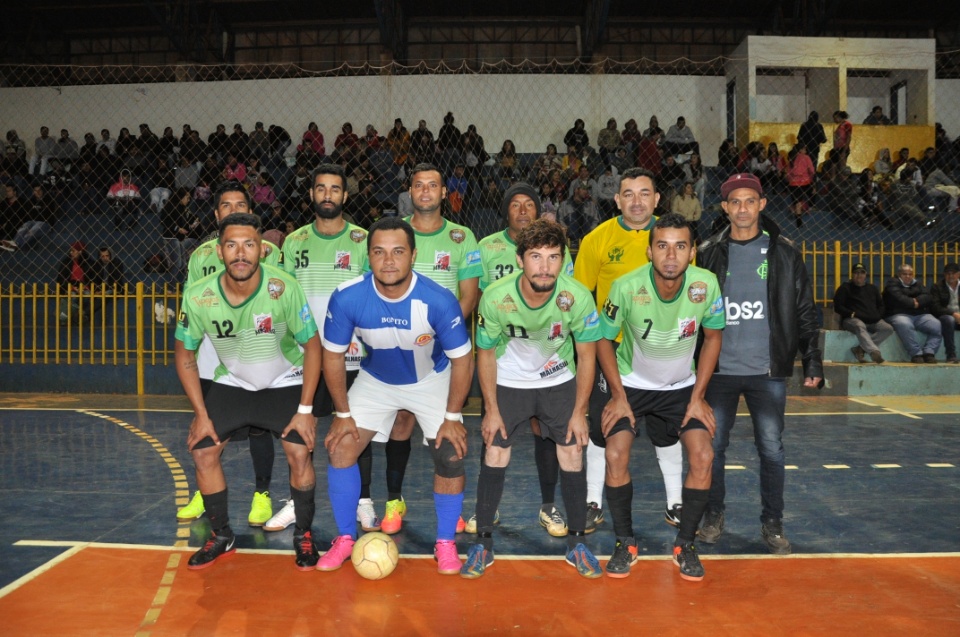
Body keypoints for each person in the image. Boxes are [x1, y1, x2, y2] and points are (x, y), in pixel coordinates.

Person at [317, 216, 475, 574]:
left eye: (398, 252)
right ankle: (344, 539)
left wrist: (452, 418)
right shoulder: (347, 297)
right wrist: (342, 414)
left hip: (431, 380)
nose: (389, 260)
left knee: (450, 455)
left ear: (413, 255)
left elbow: (463, 361)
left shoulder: (439, 300)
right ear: (368, 256)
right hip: (377, 381)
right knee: (341, 446)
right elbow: (332, 356)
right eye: (379, 252)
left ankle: (446, 543)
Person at [175, 213, 321, 571]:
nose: (241, 253)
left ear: (262, 250)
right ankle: (221, 536)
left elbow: (313, 347)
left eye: (249, 245)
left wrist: (305, 410)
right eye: (231, 245)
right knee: (203, 452)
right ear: (219, 252)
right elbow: (184, 355)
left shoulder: (283, 287)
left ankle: (303, 534)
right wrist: (201, 414)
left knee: (298, 451)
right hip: (233, 383)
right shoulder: (198, 296)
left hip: (285, 380)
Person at [462, 219, 603, 579]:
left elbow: (587, 355)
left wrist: (580, 412)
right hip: (509, 380)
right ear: (520, 258)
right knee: (495, 448)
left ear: (563, 260)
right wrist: (490, 410)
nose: (544, 266)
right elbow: (486, 354)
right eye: (536, 256)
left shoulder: (577, 297)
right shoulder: (495, 296)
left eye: (553, 257)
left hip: (558, 379)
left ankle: (576, 545)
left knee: (572, 450)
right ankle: (484, 544)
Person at [697, 173, 823, 555]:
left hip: (767, 372)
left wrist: (812, 361)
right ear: (724, 208)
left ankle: (772, 522)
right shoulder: (709, 252)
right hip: (719, 371)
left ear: (762, 205)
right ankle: (713, 515)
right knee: (713, 449)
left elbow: (804, 310)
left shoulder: (784, 252)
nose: (742, 208)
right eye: (735, 202)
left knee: (771, 449)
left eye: (750, 201)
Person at [597, 213, 724, 581]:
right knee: (616, 453)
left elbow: (713, 336)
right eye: (663, 246)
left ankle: (685, 544)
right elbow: (602, 339)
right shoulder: (624, 286)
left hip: (680, 388)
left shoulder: (706, 285)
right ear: (650, 252)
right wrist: (618, 396)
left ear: (693, 252)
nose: (671, 255)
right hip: (632, 385)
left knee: (703, 455)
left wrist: (699, 395)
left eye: (680, 246)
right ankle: (624, 541)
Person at [573, 167, 685, 534]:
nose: (636, 201)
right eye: (628, 194)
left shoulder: (673, 239)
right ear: (617, 199)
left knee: (668, 433)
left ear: (656, 200)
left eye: (644, 193)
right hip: (616, 355)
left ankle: (675, 503)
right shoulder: (597, 239)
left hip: (667, 353)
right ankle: (592, 501)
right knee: (601, 430)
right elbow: (578, 297)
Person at [375, 163, 481, 534]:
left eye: (432, 185)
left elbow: (469, 295)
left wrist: (442, 334)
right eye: (418, 185)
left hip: (444, 350)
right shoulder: (395, 234)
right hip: (399, 346)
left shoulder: (462, 237)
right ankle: (393, 500)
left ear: (443, 193)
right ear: (410, 191)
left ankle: (452, 513)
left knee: (449, 430)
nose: (425, 191)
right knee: (401, 421)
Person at [175, 181, 285, 526]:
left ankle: (262, 495)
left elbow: (280, 301)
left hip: (255, 350)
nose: (234, 210)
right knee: (206, 427)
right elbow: (190, 310)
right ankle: (203, 494)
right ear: (216, 213)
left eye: (241, 205)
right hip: (212, 354)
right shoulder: (200, 256)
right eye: (227, 205)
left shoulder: (269, 252)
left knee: (258, 429)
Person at [277, 163, 378, 534]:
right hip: (304, 354)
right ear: (311, 194)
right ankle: (294, 499)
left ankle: (363, 500)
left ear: (345, 196)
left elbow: (373, 295)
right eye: (321, 189)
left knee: (354, 427)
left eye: (335, 189)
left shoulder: (363, 240)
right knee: (301, 428)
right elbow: (284, 297)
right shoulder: (294, 242)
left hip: (352, 353)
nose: (328, 196)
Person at [469, 183, 575, 536]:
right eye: (515, 204)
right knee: (495, 436)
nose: (523, 210)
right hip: (503, 359)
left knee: (547, 434)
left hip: (548, 359)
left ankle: (549, 506)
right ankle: (489, 511)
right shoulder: (487, 247)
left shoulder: (555, 253)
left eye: (530, 204)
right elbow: (484, 298)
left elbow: (564, 297)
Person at [883, 263, 943, 364]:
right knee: (904, 324)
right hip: (898, 314)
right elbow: (899, 298)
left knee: (936, 325)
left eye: (910, 274)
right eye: (904, 274)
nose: (908, 276)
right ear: (899, 275)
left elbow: (928, 297)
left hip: (919, 314)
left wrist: (916, 301)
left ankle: (929, 352)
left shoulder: (918, 283)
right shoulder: (892, 284)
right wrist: (914, 303)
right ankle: (916, 354)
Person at [833, 262, 892, 364]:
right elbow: (838, 306)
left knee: (887, 328)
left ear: (865, 274)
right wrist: (852, 314)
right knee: (859, 325)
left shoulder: (872, 288)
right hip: (851, 319)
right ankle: (874, 352)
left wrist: (878, 316)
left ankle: (860, 349)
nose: (859, 275)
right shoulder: (845, 288)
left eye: (862, 272)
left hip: (873, 320)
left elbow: (881, 305)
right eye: (856, 272)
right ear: (852, 274)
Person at [1, 184, 58, 252]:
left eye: (39, 190)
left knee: (33, 228)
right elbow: (29, 215)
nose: (38, 192)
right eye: (35, 191)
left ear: (43, 191)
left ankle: (16, 244)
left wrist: (36, 212)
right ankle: (14, 243)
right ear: (33, 192)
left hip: (45, 223)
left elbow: (45, 215)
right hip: (32, 222)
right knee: (25, 226)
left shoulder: (49, 200)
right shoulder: (31, 201)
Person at [931, 262, 960, 364]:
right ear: (944, 275)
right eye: (948, 273)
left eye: (953, 273)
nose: (950, 276)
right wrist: (953, 314)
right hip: (946, 317)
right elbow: (935, 307)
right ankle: (951, 355)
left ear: (958, 274)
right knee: (948, 320)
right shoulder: (937, 287)